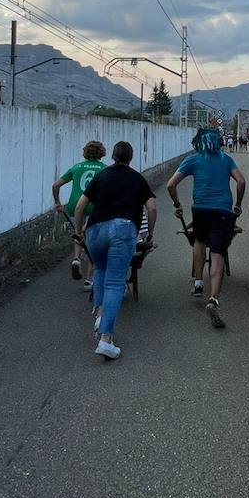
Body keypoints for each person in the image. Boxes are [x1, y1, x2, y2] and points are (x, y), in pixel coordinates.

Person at [76, 141, 158, 360]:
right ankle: (106, 339)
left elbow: (79, 207)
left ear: (112, 156)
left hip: (95, 231)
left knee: (100, 270)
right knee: (115, 282)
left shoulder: (102, 176)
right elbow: (152, 207)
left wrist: (78, 231)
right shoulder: (137, 178)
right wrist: (150, 233)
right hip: (122, 230)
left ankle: (100, 315)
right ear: (130, 158)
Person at [167, 127, 245, 326]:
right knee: (218, 252)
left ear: (199, 143)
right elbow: (241, 181)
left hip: (200, 209)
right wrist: (237, 204)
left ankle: (199, 282)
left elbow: (170, 185)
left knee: (199, 241)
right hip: (223, 211)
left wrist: (177, 204)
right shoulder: (226, 159)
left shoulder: (193, 159)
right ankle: (214, 299)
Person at [52, 140, 107, 289]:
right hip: (94, 207)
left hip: (74, 205)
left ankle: (76, 258)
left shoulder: (76, 167)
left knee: (78, 233)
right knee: (92, 240)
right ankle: (89, 280)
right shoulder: (104, 169)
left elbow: (56, 185)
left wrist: (57, 202)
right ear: (101, 153)